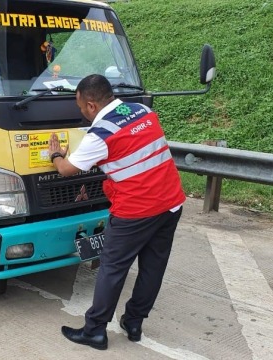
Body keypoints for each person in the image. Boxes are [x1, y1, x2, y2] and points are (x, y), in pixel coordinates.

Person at [48, 74, 185, 350]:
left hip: (136, 210)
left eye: (80, 108)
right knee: (153, 267)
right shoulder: (141, 110)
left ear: (90, 105)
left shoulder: (100, 135)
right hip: (171, 203)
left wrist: (55, 155)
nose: (82, 114)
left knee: (112, 267)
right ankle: (133, 323)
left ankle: (95, 330)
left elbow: (66, 170)